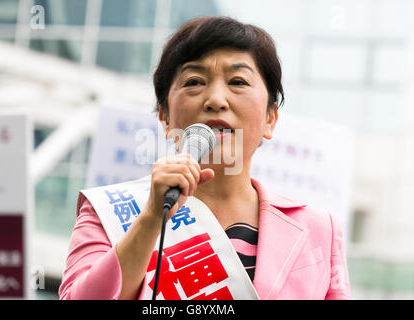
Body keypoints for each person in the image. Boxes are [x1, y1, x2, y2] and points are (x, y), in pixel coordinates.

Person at [59, 16, 350, 300]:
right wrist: (150, 220)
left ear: (270, 118)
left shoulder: (318, 229)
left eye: (238, 81)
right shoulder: (111, 212)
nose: (216, 100)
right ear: (165, 117)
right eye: (195, 81)